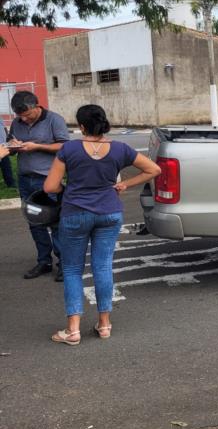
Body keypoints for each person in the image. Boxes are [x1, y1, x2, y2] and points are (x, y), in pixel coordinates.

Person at [44, 104, 161, 346]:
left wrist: (67, 190)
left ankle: (73, 330)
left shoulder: (69, 149)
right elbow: (154, 169)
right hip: (110, 213)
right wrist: (125, 185)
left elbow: (50, 187)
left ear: (82, 126)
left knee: (74, 270)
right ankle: (104, 324)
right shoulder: (120, 149)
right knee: (103, 267)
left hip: (75, 213)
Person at [8, 91, 69, 279]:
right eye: (20, 116)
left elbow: (65, 147)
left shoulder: (54, 120)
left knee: (55, 221)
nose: (24, 119)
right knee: (34, 221)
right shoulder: (16, 123)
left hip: (48, 179)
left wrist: (37, 146)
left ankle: (64, 264)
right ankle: (44, 261)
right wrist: (13, 145)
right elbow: (10, 145)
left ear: (36, 105)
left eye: (27, 115)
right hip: (25, 179)